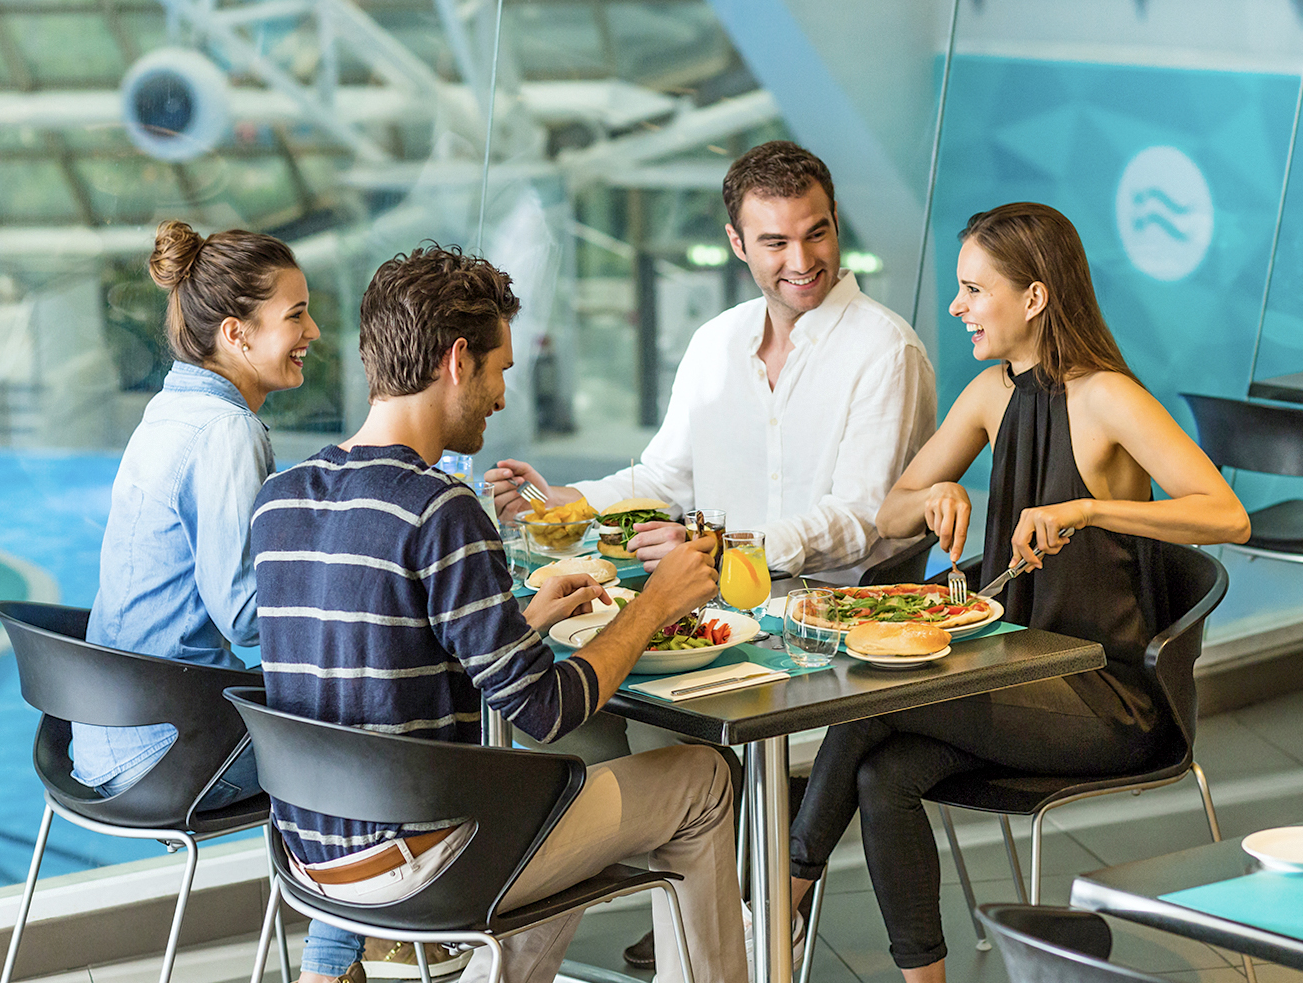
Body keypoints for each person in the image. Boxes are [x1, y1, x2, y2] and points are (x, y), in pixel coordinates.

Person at [251, 244, 745, 983]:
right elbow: (546, 712)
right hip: (424, 864)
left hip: (310, 864)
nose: (504, 396)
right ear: (458, 360)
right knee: (703, 778)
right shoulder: (440, 508)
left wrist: (530, 621)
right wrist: (656, 604)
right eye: (501, 370)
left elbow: (386, 652)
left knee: (560, 783)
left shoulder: (282, 498)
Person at [787, 202, 1251, 983]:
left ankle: (769, 905)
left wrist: (1092, 506)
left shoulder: (1108, 398)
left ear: (1033, 298)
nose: (956, 306)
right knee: (882, 775)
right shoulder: (991, 394)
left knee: (870, 700)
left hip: (1107, 699)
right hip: (1012, 675)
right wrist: (936, 500)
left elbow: (1227, 517)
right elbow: (893, 509)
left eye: (973, 289)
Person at [486, 139, 937, 585]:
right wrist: (559, 500)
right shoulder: (715, 342)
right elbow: (666, 480)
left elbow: (860, 518)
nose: (801, 260)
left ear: (836, 220)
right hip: (718, 611)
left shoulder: (887, 351)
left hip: (839, 622)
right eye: (775, 242)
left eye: (815, 234)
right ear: (737, 243)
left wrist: (724, 549)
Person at [72, 220, 318, 810]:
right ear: (236, 334)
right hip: (176, 754)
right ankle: (369, 897)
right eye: (296, 315)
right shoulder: (226, 429)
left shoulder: (170, 408)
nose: (313, 331)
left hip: (104, 745)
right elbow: (246, 617)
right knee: (395, 731)